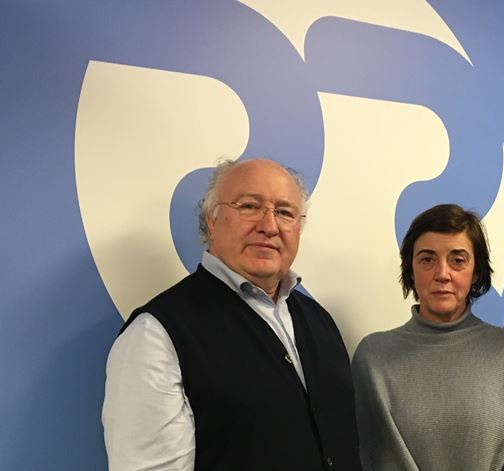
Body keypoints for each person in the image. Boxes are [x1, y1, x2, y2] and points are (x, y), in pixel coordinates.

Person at [102, 158, 360, 470]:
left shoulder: (320, 322)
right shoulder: (157, 334)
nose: (269, 225)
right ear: (211, 220)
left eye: (284, 212)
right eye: (250, 206)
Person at [352, 204, 504, 471]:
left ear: (476, 271)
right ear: (410, 270)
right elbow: (373, 458)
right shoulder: (373, 357)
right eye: (427, 259)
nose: (442, 274)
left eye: (458, 260)